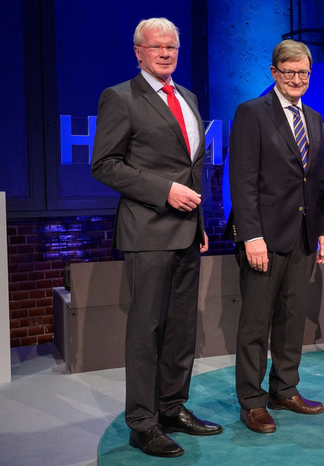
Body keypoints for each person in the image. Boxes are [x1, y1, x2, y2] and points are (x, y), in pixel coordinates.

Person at [91, 18, 222, 458]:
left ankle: (172, 408)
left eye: (172, 47)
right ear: (138, 52)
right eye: (156, 47)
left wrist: (200, 224)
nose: (165, 53)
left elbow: (191, 170)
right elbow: (105, 164)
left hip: (187, 232)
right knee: (147, 332)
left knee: (182, 329)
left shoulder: (187, 96)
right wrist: (164, 192)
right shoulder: (120, 97)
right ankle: (142, 423)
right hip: (147, 230)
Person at [227, 39, 324, 434]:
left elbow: (318, 182)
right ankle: (252, 402)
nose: (297, 79)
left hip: (304, 237)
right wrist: (251, 236)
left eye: (303, 72)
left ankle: (284, 389)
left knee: (291, 321)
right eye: (289, 72)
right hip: (264, 239)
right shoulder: (252, 112)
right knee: (256, 324)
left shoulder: (316, 117)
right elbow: (242, 180)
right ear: (274, 73)